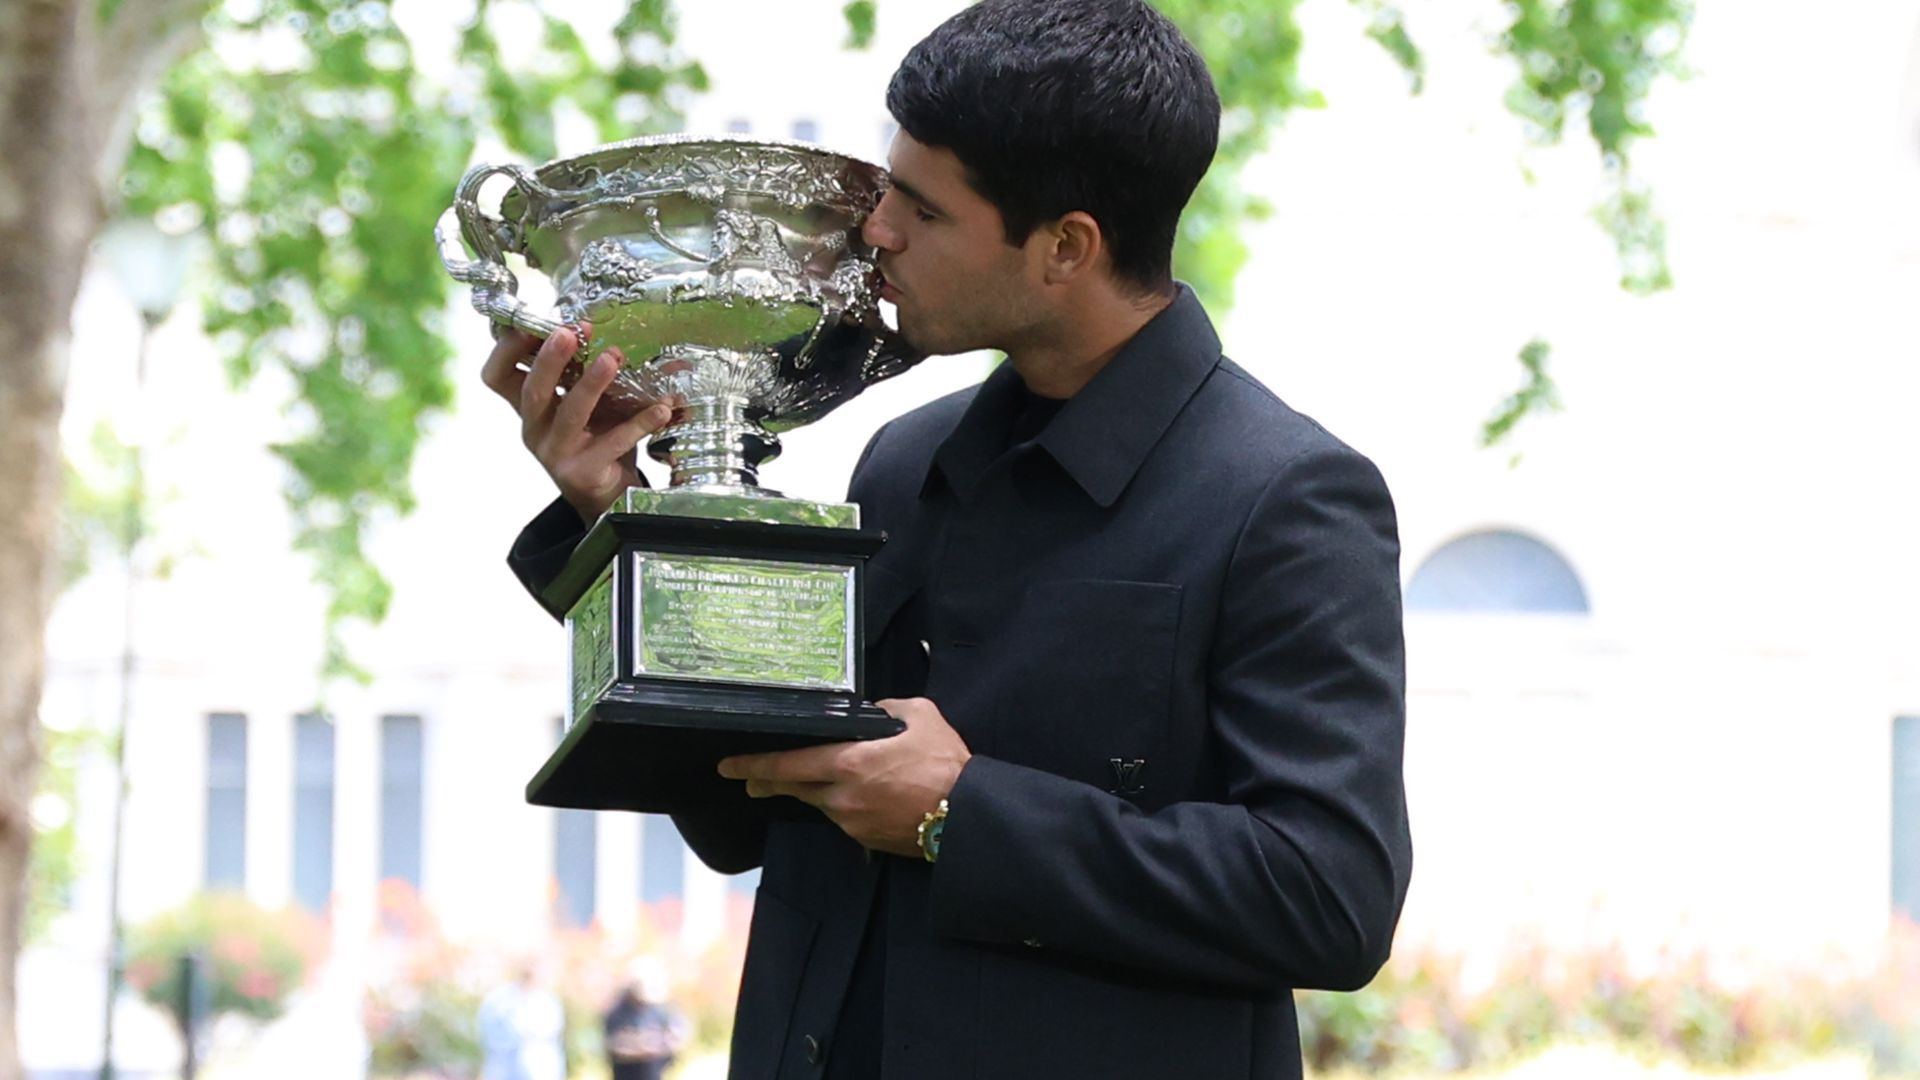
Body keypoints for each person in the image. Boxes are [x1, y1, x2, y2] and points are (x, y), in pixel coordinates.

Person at [485, 1, 1413, 1077]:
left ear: (1067, 246)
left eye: (923, 210)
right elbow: (746, 806)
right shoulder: (902, 463)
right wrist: (627, 523)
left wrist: (962, 815)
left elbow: (1331, 896)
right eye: (889, 189)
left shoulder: (1288, 496)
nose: (876, 229)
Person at [476, 961, 566, 1080]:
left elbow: (552, 1032)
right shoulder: (500, 998)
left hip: (539, 1066)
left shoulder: (548, 1001)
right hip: (504, 1064)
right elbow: (487, 1028)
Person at [602, 956, 688, 1080]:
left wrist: (656, 1043)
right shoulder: (617, 1012)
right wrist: (639, 1046)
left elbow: (676, 1039)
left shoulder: (661, 1010)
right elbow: (613, 1045)